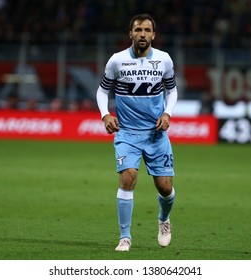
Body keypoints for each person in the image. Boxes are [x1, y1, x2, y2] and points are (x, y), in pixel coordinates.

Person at [96, 13, 178, 251]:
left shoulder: (164, 60)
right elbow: (102, 91)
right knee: (127, 177)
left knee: (165, 188)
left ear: (154, 34)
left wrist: (167, 113)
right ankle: (125, 237)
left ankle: (164, 219)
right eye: (138, 30)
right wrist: (105, 114)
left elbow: (172, 91)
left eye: (147, 30)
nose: (143, 34)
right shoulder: (117, 61)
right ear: (130, 33)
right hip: (127, 133)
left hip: (155, 134)